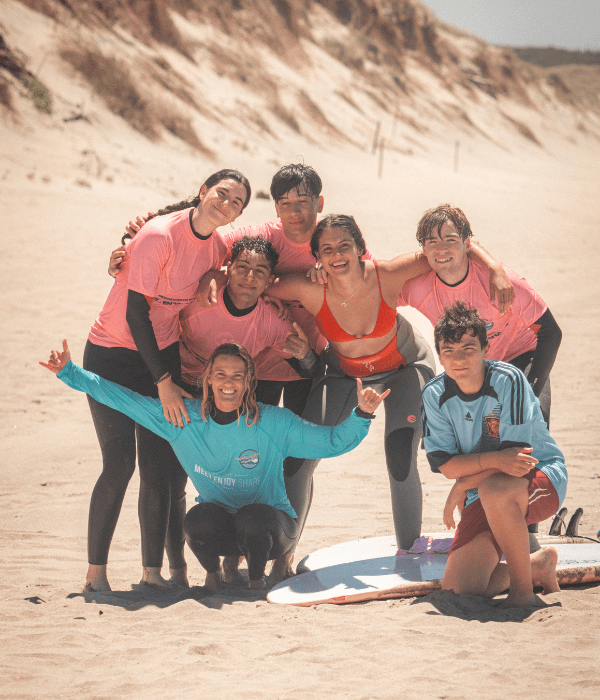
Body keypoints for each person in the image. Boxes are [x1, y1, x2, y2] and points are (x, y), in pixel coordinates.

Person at [41, 341, 388, 591]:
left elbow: (331, 443)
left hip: (272, 530)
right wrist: (70, 373)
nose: (228, 383)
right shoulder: (182, 419)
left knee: (254, 517)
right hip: (223, 529)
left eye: (237, 376)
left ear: (249, 382)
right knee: (198, 518)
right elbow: (124, 400)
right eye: (220, 374)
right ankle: (215, 573)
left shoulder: (273, 422)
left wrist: (362, 414)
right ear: (208, 379)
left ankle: (256, 580)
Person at [83, 169, 251, 592]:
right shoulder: (159, 235)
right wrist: (161, 380)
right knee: (119, 465)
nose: (226, 203)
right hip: (114, 354)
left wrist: (216, 275)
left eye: (237, 202)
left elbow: (243, 261)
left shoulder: (216, 248)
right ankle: (95, 575)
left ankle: (151, 574)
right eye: (222, 193)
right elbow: (135, 313)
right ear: (201, 192)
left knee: (159, 469)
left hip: (162, 355)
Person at [421, 301, 567, 608]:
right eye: (448, 351)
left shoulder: (508, 379)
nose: (458, 358)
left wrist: (463, 483)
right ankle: (536, 566)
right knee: (459, 591)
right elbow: (446, 466)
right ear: (438, 354)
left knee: (495, 488)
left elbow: (515, 462)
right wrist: (467, 478)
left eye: (468, 348)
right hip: (481, 490)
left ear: (487, 349)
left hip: (540, 477)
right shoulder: (434, 394)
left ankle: (523, 594)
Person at [399, 204, 561, 426]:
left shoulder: (502, 284)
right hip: (470, 366)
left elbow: (550, 333)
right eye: (432, 242)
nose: (441, 249)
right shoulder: (417, 288)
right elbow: (373, 294)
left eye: (450, 239)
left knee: (530, 424)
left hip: (520, 355)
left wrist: (529, 392)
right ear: (424, 249)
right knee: (451, 438)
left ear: (467, 244)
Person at [177, 235, 319, 391]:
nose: (249, 277)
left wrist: (306, 355)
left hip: (225, 393)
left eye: (260, 271)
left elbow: (310, 370)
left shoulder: (273, 321)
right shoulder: (202, 291)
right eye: (243, 267)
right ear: (229, 268)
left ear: (269, 281)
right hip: (174, 377)